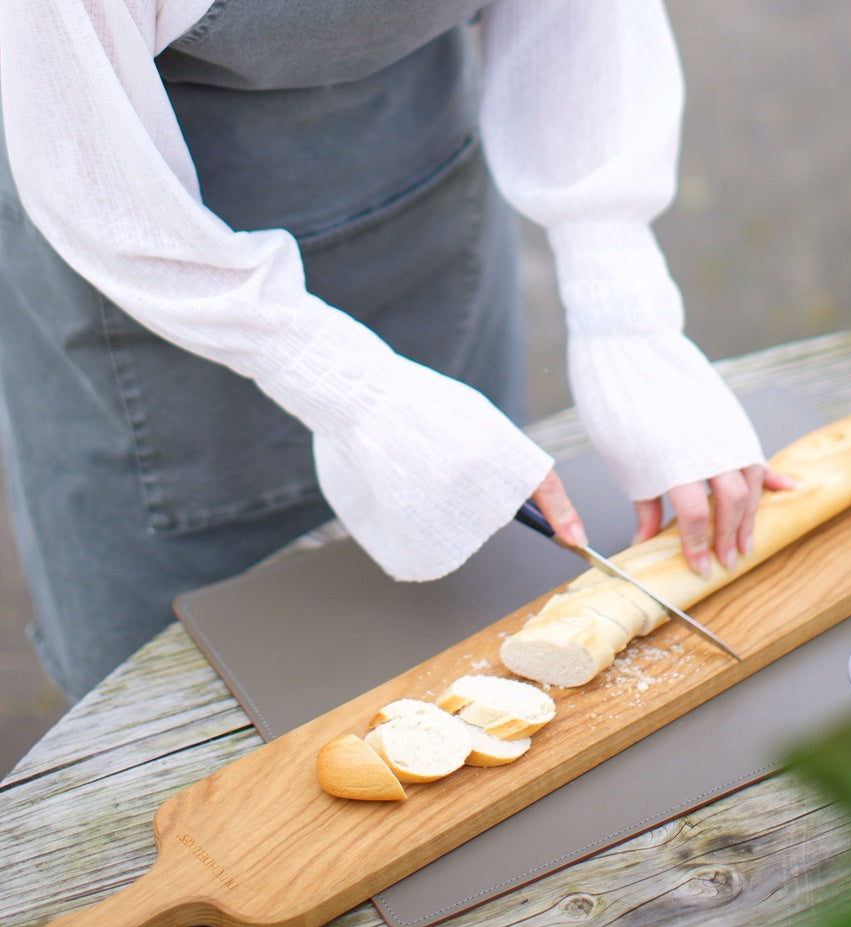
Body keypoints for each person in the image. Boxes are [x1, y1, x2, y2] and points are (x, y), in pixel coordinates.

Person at [0, 0, 782, 703]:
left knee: (478, 642)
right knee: (190, 713)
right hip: (157, 285)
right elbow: (86, 164)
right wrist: (346, 384)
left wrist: (625, 312)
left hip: (425, 212)